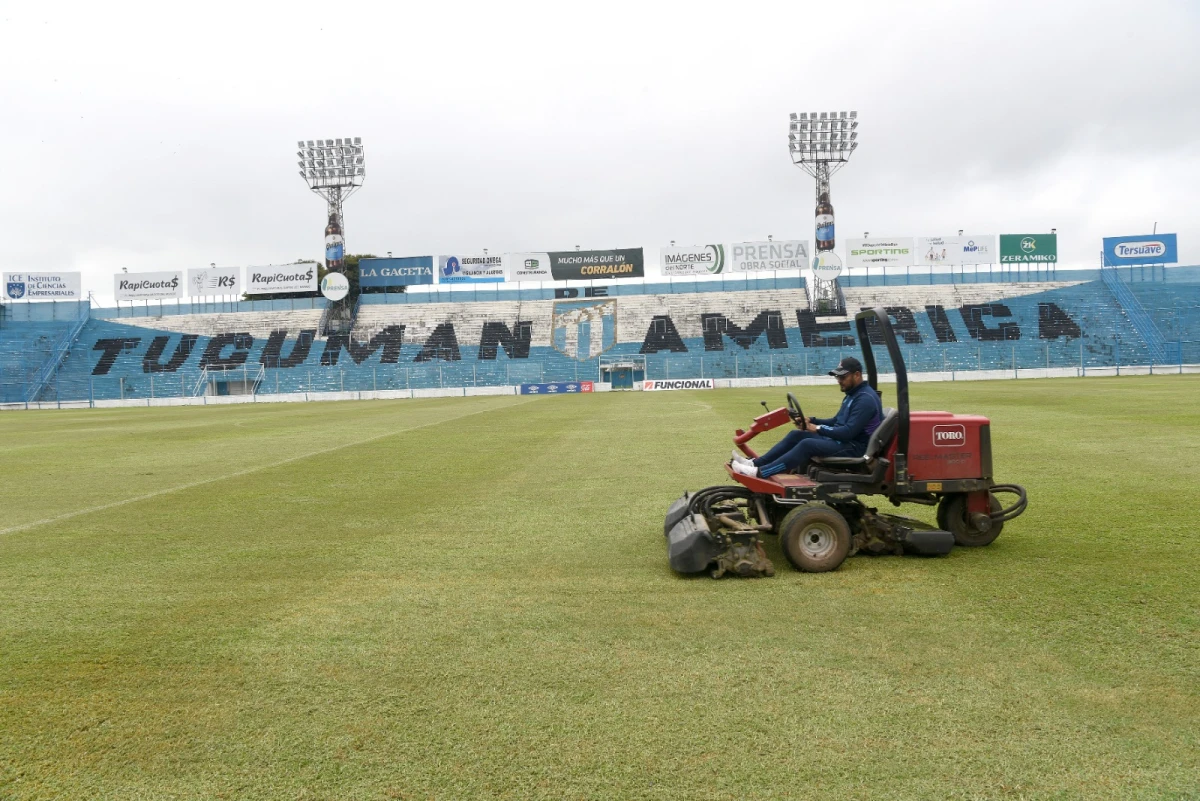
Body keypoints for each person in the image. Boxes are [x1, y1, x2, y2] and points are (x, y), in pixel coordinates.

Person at [731, 356, 882, 479]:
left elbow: (847, 432)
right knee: (797, 435)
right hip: (843, 442)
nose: (839, 380)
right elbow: (836, 421)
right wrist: (812, 420)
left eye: (843, 377)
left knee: (807, 444)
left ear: (857, 375)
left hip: (853, 448)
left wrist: (816, 428)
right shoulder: (853, 395)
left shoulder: (865, 400)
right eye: (837, 376)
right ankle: (755, 464)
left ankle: (761, 473)